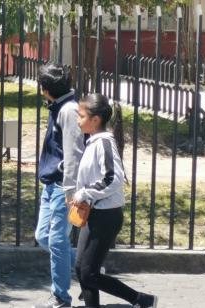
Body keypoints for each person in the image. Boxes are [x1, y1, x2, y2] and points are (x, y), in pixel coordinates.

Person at [72, 93, 157, 308]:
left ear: (95, 120)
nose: (77, 120)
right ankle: (139, 300)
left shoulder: (104, 144)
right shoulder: (93, 142)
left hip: (106, 217)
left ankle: (141, 300)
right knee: (82, 269)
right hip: (95, 214)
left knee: (89, 272)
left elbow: (114, 178)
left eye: (81, 116)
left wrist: (84, 193)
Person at [34, 64, 85, 308]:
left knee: (55, 241)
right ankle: (87, 268)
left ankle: (61, 299)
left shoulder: (68, 110)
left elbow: (74, 154)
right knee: (43, 237)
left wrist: (70, 192)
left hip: (61, 187)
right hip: (50, 185)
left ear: (45, 89)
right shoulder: (59, 107)